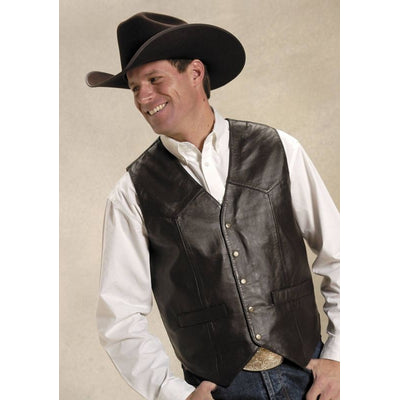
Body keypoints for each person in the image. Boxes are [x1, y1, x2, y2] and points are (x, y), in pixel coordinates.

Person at [86, 12, 340, 400]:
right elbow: (119, 316)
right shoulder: (132, 192)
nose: (143, 98)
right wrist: (171, 392)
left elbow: (341, 255)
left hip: (310, 381)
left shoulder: (279, 149)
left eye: (154, 80)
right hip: (219, 392)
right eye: (135, 88)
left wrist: (339, 356)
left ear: (195, 73)